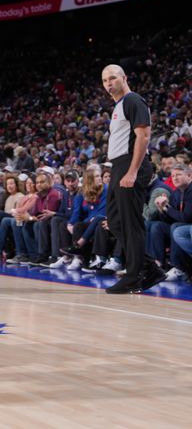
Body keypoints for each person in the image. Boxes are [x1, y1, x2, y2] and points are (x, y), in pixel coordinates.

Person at [101, 64, 165, 294]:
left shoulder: (132, 100)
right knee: (116, 221)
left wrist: (133, 171)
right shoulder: (119, 106)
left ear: (124, 77)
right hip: (119, 165)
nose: (109, 83)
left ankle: (132, 276)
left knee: (131, 223)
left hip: (130, 164)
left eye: (112, 78)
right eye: (105, 80)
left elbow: (144, 136)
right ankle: (149, 268)